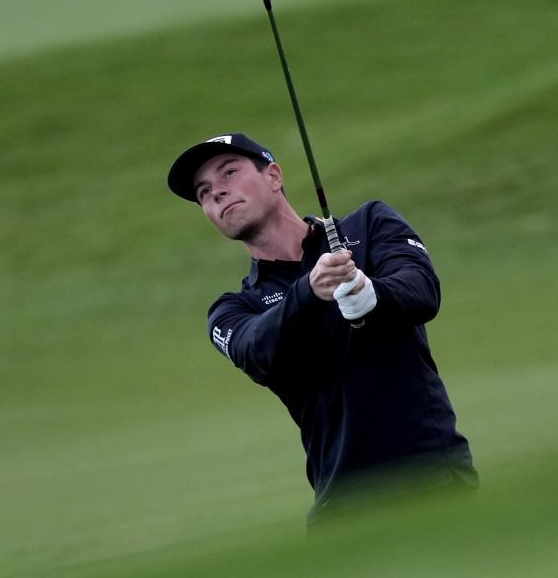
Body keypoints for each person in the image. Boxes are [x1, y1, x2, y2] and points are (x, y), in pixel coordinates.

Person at [167, 132, 477, 523]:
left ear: (274, 176)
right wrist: (310, 292)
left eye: (229, 172)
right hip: (343, 506)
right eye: (203, 192)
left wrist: (371, 295)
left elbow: (422, 288)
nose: (216, 193)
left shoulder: (368, 226)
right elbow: (256, 351)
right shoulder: (233, 310)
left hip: (435, 479)